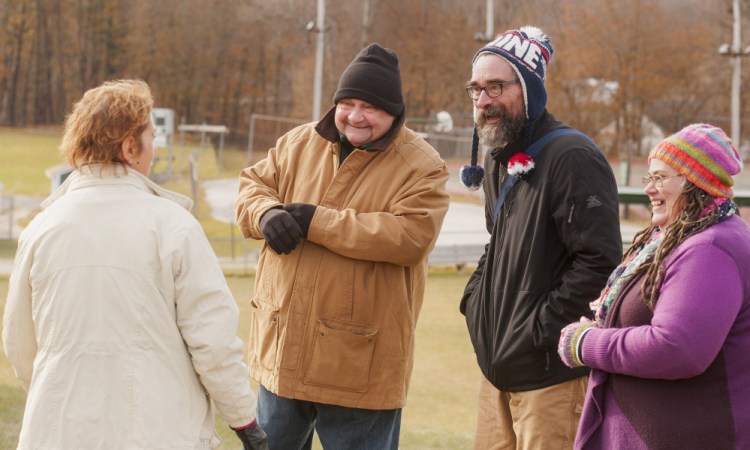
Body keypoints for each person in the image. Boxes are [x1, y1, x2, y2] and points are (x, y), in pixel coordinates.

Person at [2, 79, 267, 450]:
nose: (154, 150)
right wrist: (246, 423)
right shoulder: (174, 226)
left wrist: (61, 392)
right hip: (156, 432)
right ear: (130, 147)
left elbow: (19, 344)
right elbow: (214, 343)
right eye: (151, 138)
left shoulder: (40, 229)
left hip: (56, 431)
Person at [234, 43, 450, 449]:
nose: (355, 115)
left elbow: (410, 237)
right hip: (283, 354)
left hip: (359, 369)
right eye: (346, 102)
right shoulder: (298, 143)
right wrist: (264, 213)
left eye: (369, 106)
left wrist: (317, 221)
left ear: (394, 112)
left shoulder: (423, 166)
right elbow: (252, 186)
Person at [458, 26, 623, 449]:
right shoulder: (499, 156)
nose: (483, 101)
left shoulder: (573, 157)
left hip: (550, 378)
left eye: (496, 86)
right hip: (495, 374)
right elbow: (498, 245)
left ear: (528, 88)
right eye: (476, 89)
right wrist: (475, 304)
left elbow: (599, 264)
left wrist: (537, 334)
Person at [558, 123, 750, 449]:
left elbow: (677, 349)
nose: (649, 189)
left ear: (696, 181)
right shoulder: (680, 237)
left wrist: (586, 344)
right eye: (650, 178)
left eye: (661, 178)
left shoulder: (710, 248)